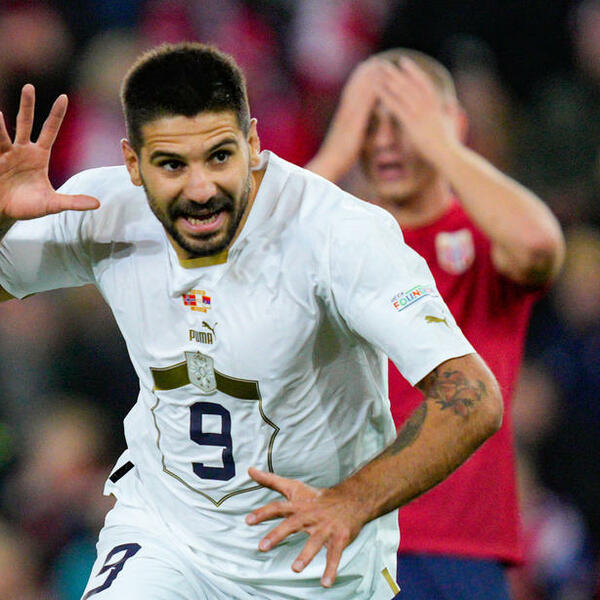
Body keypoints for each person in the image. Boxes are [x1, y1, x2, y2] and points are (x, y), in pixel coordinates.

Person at [0, 42, 503, 600]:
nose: (201, 189)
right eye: (172, 165)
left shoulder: (337, 235)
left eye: (220, 157)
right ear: (133, 163)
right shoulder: (100, 208)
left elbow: (473, 396)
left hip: (312, 563)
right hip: (167, 538)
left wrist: (352, 501)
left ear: (253, 143)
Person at [307, 49, 565, 599]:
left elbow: (539, 246)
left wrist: (443, 146)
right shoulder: (334, 240)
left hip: (459, 545)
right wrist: (335, 151)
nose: (384, 142)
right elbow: (248, 268)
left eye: (402, 121)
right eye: (368, 124)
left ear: (450, 124)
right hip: (344, 531)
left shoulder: (485, 236)